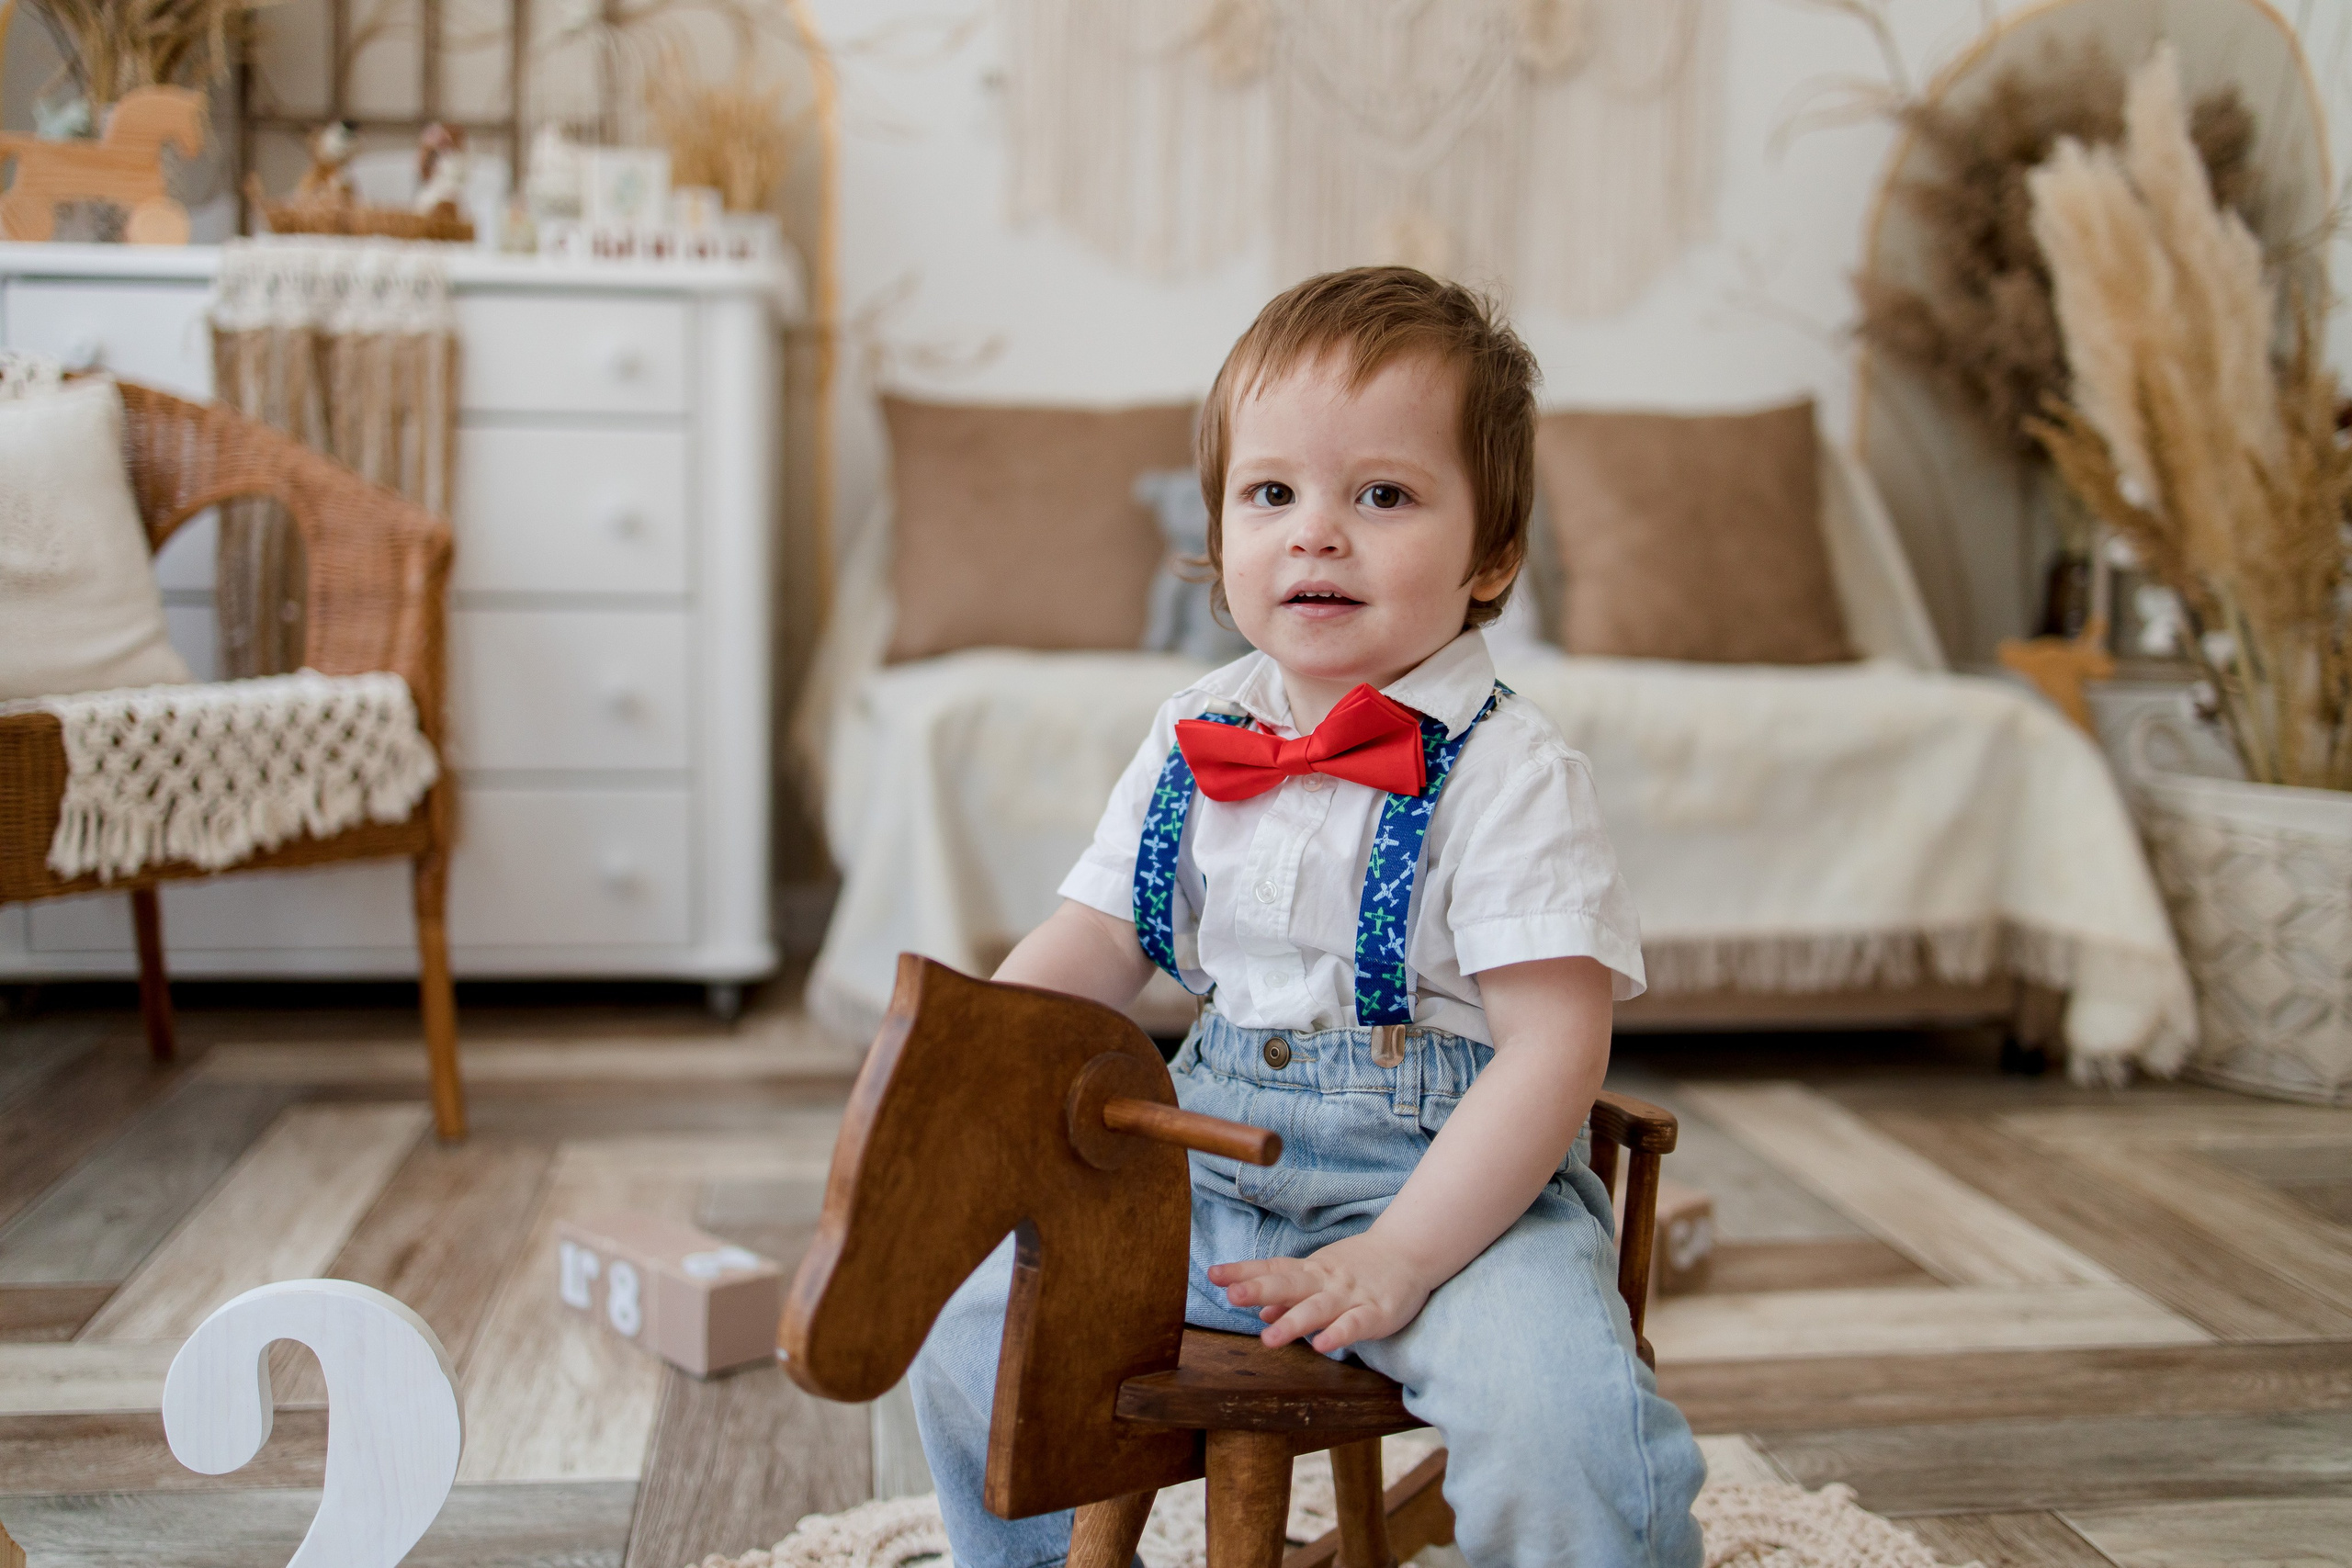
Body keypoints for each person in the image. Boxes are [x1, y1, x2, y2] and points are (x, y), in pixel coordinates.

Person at [909, 265, 1707, 1568]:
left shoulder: (1512, 772)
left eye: (1382, 495)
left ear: (1494, 553)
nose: (1315, 534)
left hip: (1456, 1195)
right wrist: (967, 1056)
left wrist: (1402, 1256)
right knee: (968, 1322)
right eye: (1271, 493)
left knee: (1563, 1419)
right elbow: (1099, 937)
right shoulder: (1194, 731)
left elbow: (1557, 1049)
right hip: (1205, 1174)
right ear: (1221, 531)